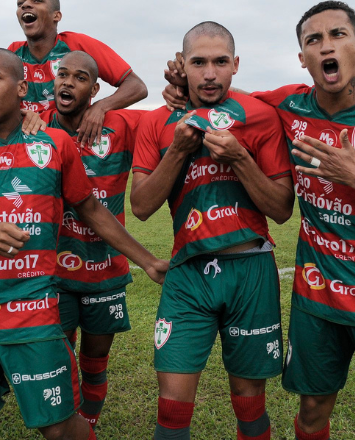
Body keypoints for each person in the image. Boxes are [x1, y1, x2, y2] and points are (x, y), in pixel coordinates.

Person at [163, 2, 355, 440]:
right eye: (314, 40)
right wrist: (184, 90)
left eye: (337, 35)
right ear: (302, 57)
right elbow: (227, 99)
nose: (326, 46)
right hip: (317, 294)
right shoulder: (286, 105)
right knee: (311, 409)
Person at [0, 47, 167, 440]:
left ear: (21, 87)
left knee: (61, 427)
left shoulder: (53, 142)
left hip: (33, 310)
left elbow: (90, 210)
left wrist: (148, 261)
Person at [131, 22, 294, 440]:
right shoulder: (156, 123)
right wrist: (181, 151)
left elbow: (280, 210)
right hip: (188, 275)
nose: (209, 73)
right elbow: (141, 206)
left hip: (251, 270)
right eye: (198, 62)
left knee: (249, 401)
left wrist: (240, 158)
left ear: (235, 65)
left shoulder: (260, 116)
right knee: (171, 407)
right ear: (181, 66)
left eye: (220, 62)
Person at [33, 50, 144, 428]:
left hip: (104, 269)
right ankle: (69, 425)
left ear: (95, 89)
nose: (67, 81)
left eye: (79, 78)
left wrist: (179, 91)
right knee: (59, 361)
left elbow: (171, 118)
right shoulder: (34, 127)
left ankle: (89, 421)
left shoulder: (121, 126)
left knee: (95, 362)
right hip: (53, 274)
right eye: (62, 74)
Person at [9, 0, 148, 146]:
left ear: (57, 15)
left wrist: (100, 107)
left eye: (37, 1)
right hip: (31, 142)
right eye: (20, 3)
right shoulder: (12, 53)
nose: (25, 5)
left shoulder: (78, 45)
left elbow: (137, 86)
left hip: (75, 141)